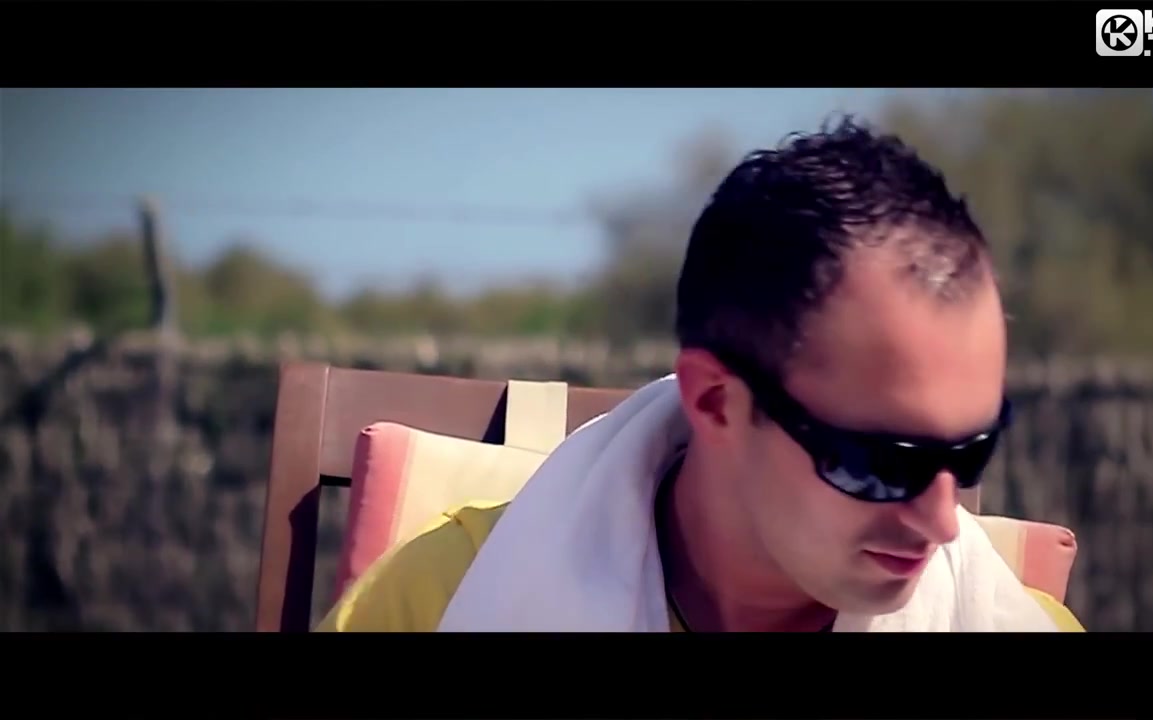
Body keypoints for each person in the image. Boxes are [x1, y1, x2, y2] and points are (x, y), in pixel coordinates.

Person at [317, 116, 1084, 632]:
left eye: (972, 451)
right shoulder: (441, 604)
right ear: (716, 402)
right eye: (881, 463)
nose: (943, 521)